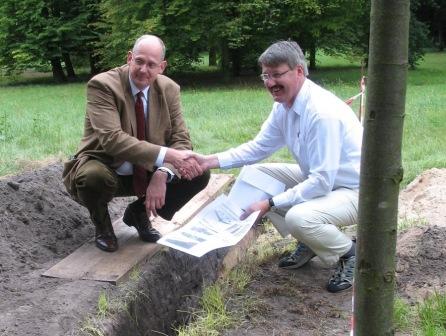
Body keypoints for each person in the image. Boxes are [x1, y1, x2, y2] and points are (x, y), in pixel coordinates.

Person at [188, 40, 362, 293]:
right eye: (265, 76)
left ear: (299, 71)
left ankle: (350, 254)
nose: (270, 83)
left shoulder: (321, 114)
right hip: (324, 180)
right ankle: (311, 242)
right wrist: (209, 161)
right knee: (256, 176)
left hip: (356, 190)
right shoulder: (284, 106)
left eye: (277, 74)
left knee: (298, 217)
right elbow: (258, 148)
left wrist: (270, 203)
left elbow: (322, 181)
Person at [62, 34, 209, 252]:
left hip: (147, 169)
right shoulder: (102, 85)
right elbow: (112, 140)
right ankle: (102, 226)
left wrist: (163, 173)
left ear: (162, 67)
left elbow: (181, 139)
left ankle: (138, 213)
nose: (143, 70)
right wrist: (166, 156)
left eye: (151, 65)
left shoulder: (169, 89)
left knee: (198, 172)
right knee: (92, 177)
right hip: (107, 165)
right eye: (139, 61)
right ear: (129, 57)